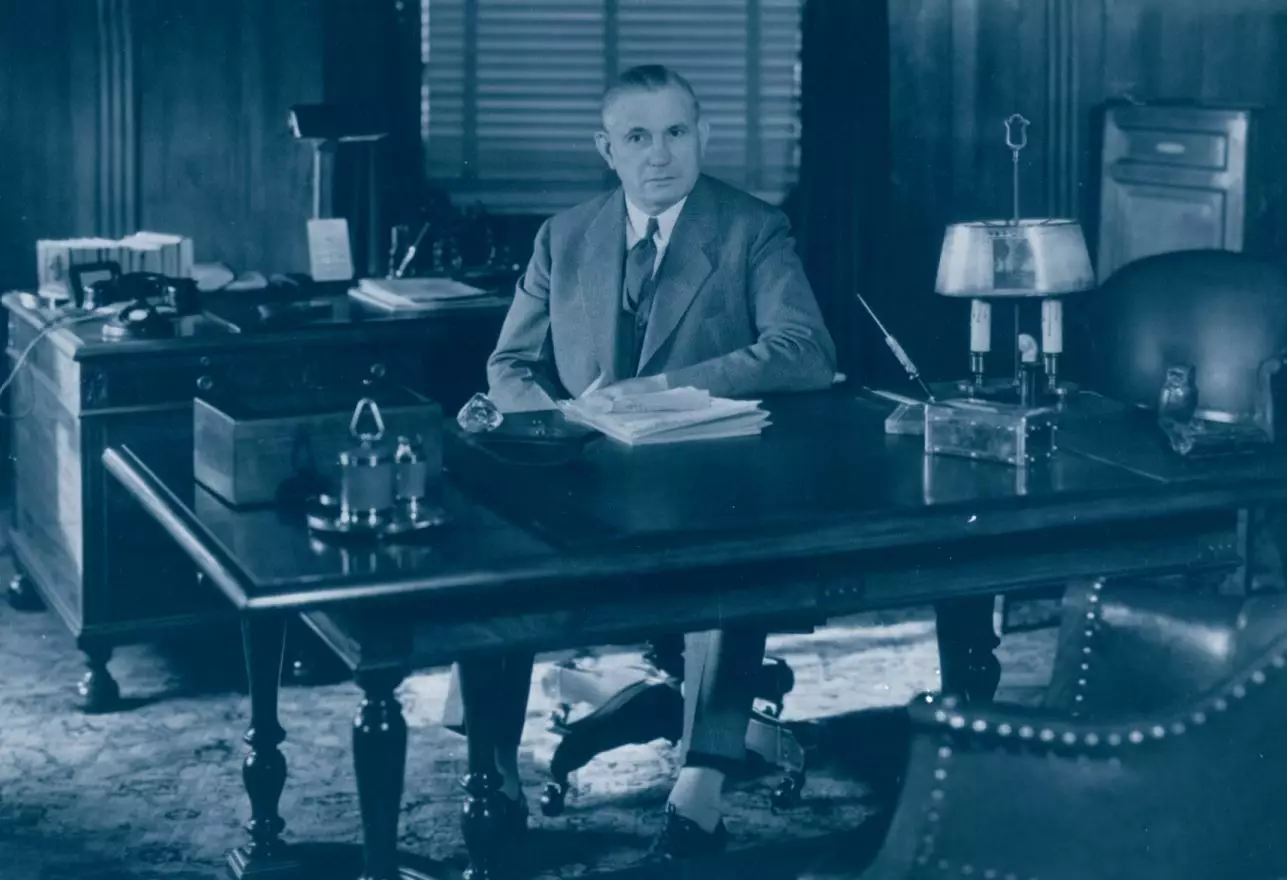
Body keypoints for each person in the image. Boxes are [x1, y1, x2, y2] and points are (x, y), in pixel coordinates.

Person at [446, 63, 837, 858]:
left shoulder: (752, 228)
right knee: (489, 564)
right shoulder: (563, 235)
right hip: (582, 475)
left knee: (738, 561)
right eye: (636, 137)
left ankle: (700, 793)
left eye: (675, 133)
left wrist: (654, 389)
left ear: (703, 137)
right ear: (606, 149)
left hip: (707, 480)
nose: (658, 155)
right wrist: (559, 418)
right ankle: (493, 775)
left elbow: (803, 351)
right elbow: (509, 366)